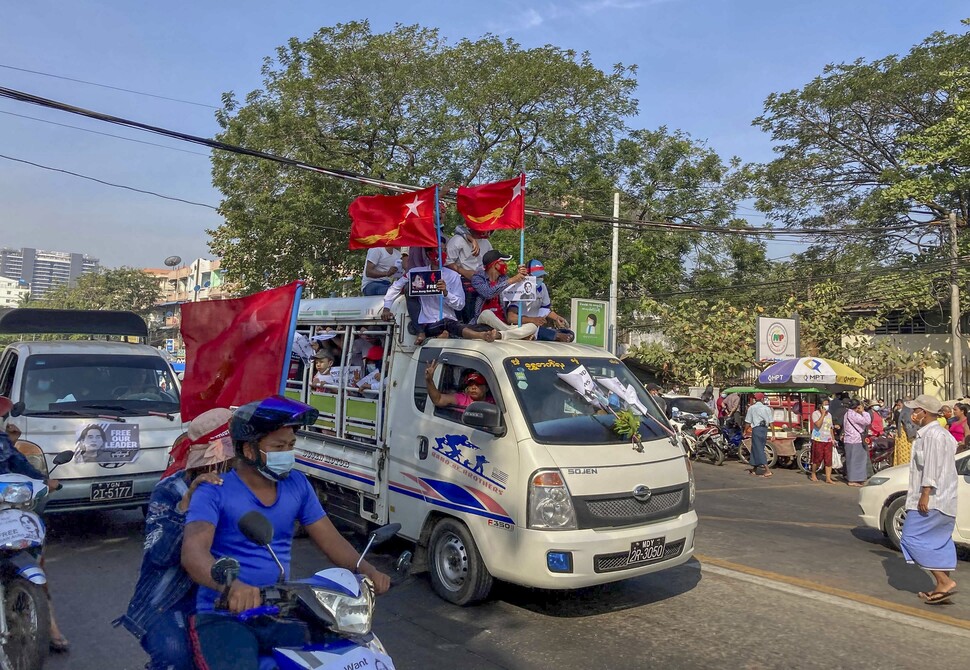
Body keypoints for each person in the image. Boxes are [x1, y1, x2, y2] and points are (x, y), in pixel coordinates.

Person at [181, 396, 391, 670]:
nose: (287, 453)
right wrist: (232, 587)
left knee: (343, 652)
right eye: (278, 446)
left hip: (280, 610)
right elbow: (193, 553)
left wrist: (367, 570)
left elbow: (330, 539)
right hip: (224, 615)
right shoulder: (214, 490)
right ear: (249, 449)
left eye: (291, 445)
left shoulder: (298, 485)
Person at [114, 408, 235, 670]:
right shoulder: (170, 491)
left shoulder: (244, 488)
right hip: (171, 599)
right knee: (176, 655)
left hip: (225, 593)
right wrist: (187, 505)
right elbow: (158, 555)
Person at [899, 395, 959, 604]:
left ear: (924, 413)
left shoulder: (933, 435)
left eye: (915, 410)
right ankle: (941, 589)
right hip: (944, 498)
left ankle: (944, 581)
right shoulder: (938, 435)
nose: (912, 414)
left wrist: (925, 494)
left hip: (932, 499)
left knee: (910, 537)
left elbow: (932, 467)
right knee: (936, 542)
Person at [380, 247, 498, 346]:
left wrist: (446, 293)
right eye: (437, 250)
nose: (441, 253)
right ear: (427, 254)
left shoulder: (453, 276)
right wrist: (386, 307)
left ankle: (493, 333)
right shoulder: (416, 273)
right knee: (446, 323)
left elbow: (460, 305)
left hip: (451, 320)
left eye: (444, 250)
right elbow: (395, 287)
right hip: (428, 324)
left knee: (458, 324)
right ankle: (480, 336)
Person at [503, 260, 572, 342]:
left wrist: (557, 318)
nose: (539, 279)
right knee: (534, 328)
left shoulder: (542, 287)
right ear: (528, 275)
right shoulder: (519, 289)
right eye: (536, 276)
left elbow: (545, 309)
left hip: (536, 327)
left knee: (570, 334)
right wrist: (532, 320)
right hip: (521, 327)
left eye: (541, 276)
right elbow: (511, 318)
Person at [445, 225, 493, 323]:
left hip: (481, 281)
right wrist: (464, 272)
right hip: (462, 281)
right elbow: (447, 262)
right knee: (466, 313)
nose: (487, 234)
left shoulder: (486, 242)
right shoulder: (457, 240)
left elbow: (490, 261)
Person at [468, 250, 529, 324]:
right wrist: (511, 280)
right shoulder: (477, 278)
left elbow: (520, 293)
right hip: (482, 324)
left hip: (502, 322)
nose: (505, 264)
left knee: (531, 326)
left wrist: (524, 277)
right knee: (487, 314)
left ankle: (506, 332)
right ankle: (508, 332)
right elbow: (488, 293)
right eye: (503, 261)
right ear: (495, 264)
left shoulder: (504, 278)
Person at [425, 361, 492, 409]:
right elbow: (438, 400)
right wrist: (429, 380)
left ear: (486, 388)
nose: (473, 387)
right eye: (470, 384)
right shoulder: (462, 399)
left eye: (478, 384)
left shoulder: (493, 402)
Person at [842, 399, 872, 487]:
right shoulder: (854, 414)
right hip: (855, 440)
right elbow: (867, 421)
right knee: (856, 460)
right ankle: (853, 479)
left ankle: (857, 478)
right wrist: (863, 412)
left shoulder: (847, 414)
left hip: (850, 440)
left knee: (855, 460)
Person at [744, 393, 774, 478]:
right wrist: (773, 433)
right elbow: (771, 422)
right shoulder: (767, 408)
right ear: (762, 399)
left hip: (756, 430)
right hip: (764, 430)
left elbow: (748, 422)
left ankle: (767, 470)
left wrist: (745, 431)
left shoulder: (752, 408)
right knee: (756, 448)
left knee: (759, 449)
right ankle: (754, 468)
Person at [810, 398, 836, 484]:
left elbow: (831, 428)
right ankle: (813, 473)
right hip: (818, 439)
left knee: (828, 459)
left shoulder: (830, 415)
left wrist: (833, 439)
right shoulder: (815, 414)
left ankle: (828, 478)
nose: (826, 406)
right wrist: (822, 414)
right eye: (825, 404)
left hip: (827, 439)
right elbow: (818, 424)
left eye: (827, 404)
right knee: (817, 458)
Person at [894, 401, 919, 466]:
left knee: (900, 453)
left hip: (901, 434)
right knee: (906, 453)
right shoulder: (907, 412)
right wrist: (912, 436)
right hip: (905, 435)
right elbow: (908, 426)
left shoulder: (904, 411)